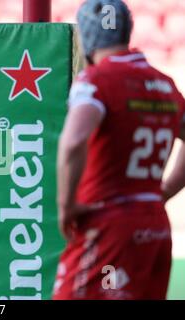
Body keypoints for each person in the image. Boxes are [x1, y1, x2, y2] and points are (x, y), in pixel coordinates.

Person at [53, 0, 185, 300]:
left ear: (87, 37)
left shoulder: (96, 81)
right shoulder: (165, 84)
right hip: (155, 226)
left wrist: (66, 205)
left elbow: (73, 141)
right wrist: (161, 193)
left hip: (108, 224)